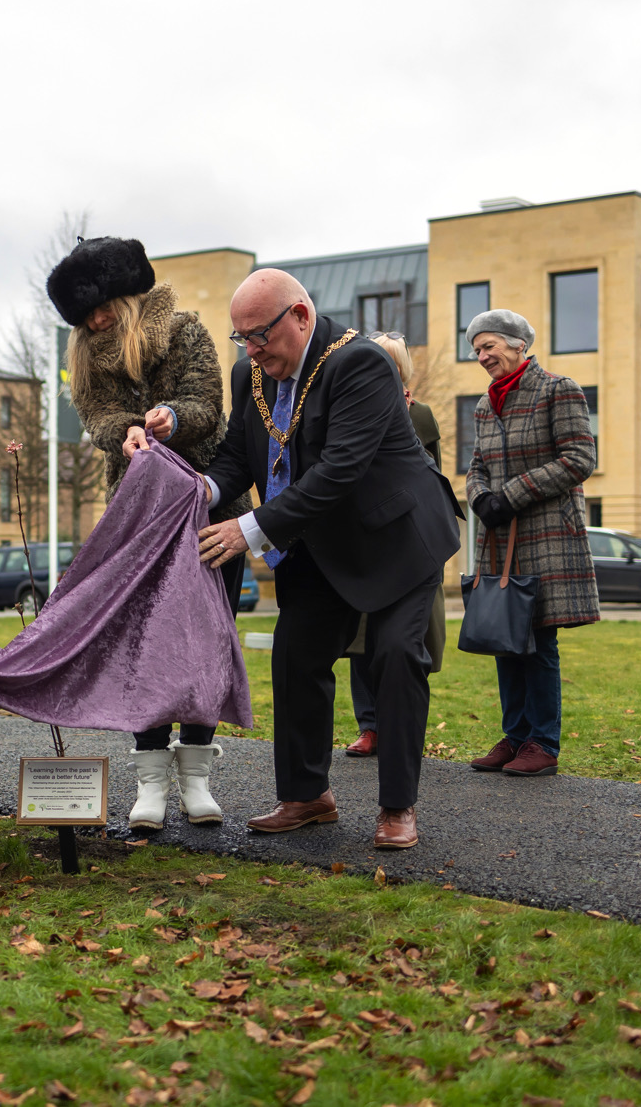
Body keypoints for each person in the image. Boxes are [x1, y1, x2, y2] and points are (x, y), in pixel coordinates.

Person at [197, 269, 461, 850]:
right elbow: (237, 456)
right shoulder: (251, 373)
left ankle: (397, 807)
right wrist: (195, 494)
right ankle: (307, 796)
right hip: (316, 542)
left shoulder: (359, 363)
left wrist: (250, 528)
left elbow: (338, 470)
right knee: (295, 658)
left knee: (394, 657)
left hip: (395, 538)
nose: (253, 349)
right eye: (241, 337)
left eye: (261, 334)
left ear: (300, 315)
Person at [47, 236, 251, 831]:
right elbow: (96, 416)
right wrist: (129, 431)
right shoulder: (86, 357)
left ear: (128, 296)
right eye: (85, 316)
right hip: (136, 511)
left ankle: (196, 780)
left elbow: (206, 403)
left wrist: (173, 418)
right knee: (143, 645)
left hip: (206, 503)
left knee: (204, 641)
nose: (97, 320)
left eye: (103, 306)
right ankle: (149, 784)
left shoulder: (185, 330)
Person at [463, 310, 598, 777]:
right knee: (505, 636)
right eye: (477, 350)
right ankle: (516, 736)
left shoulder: (558, 389)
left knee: (538, 639)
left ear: (519, 345)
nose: (481, 356)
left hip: (546, 534)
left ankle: (542, 742)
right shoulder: (485, 404)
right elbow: (476, 464)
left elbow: (579, 458)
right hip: (500, 535)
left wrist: (512, 494)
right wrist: (480, 497)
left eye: (489, 347)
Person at [344, 332, 451, 758]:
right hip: (362, 542)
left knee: (403, 642)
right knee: (359, 641)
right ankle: (368, 725)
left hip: (408, 543)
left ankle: (399, 726)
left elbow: (432, 480)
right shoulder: (350, 410)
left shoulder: (420, 415)